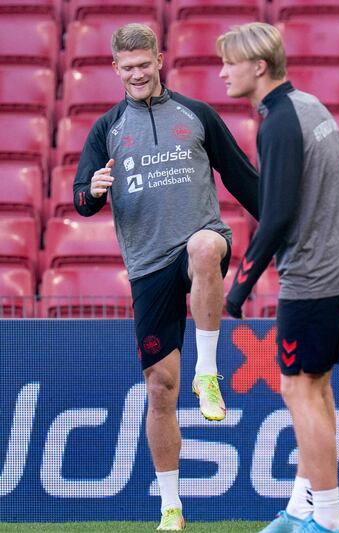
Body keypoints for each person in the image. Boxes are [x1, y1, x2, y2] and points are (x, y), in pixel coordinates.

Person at [72, 23, 260, 531]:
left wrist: (286, 223)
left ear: (160, 60)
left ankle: (208, 372)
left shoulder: (197, 114)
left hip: (199, 243)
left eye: (143, 64)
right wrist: (92, 188)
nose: (136, 74)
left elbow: (242, 178)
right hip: (147, 265)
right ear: (116, 69)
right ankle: (171, 508)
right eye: (126, 67)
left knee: (205, 245)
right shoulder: (105, 128)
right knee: (159, 388)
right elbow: (81, 200)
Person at [216, 22, 339, 533]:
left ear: (258, 66)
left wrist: (237, 289)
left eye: (229, 63)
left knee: (299, 392)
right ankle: (302, 508)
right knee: (311, 386)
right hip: (338, 267)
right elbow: (283, 201)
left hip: (314, 276)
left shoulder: (278, 122)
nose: (221, 73)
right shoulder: (307, 105)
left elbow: (276, 217)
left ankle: (326, 521)